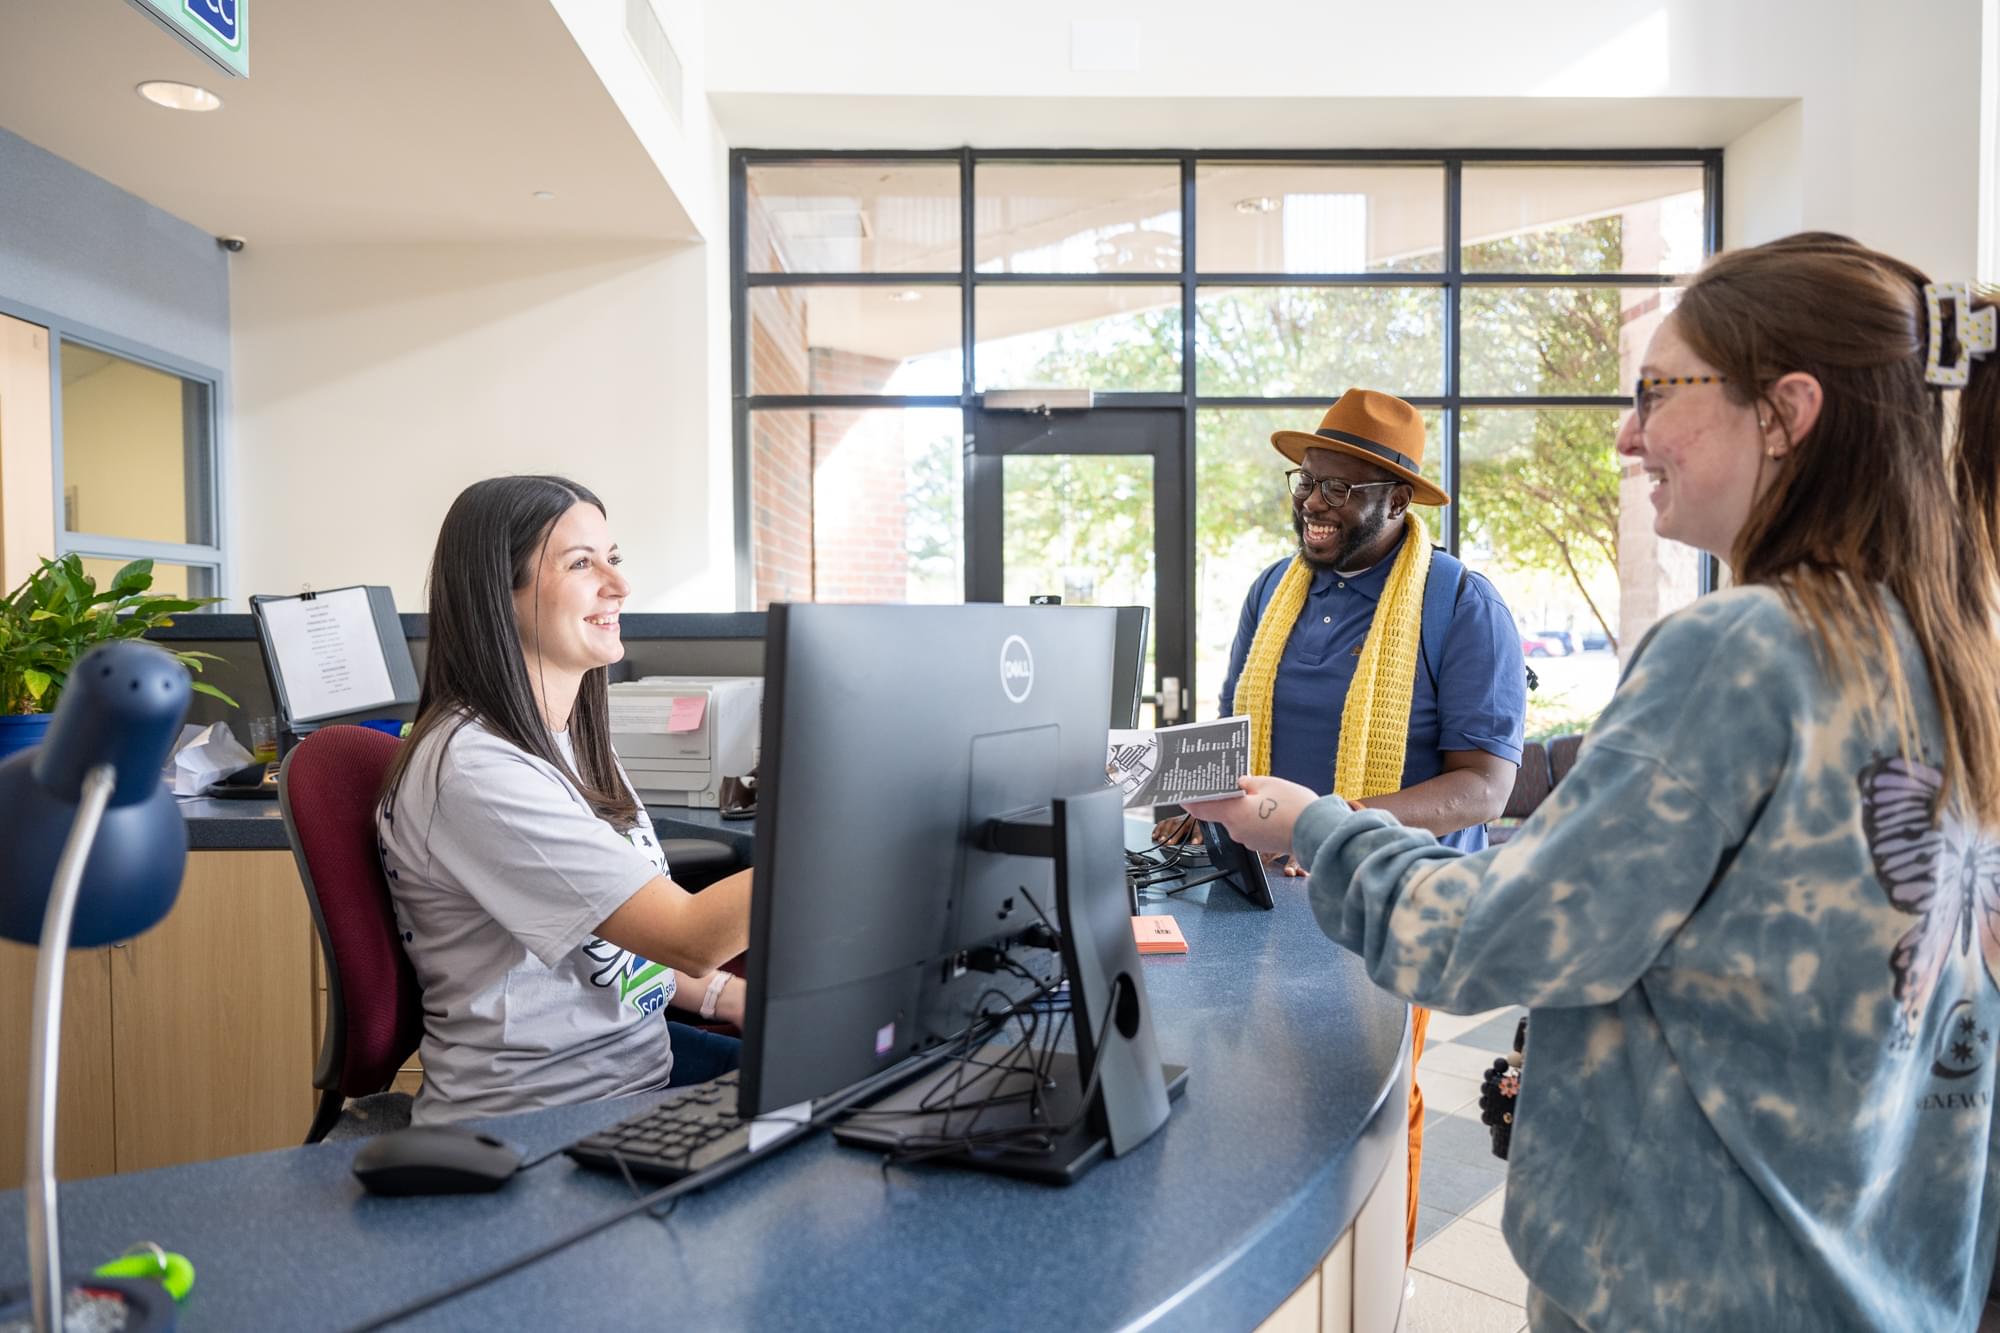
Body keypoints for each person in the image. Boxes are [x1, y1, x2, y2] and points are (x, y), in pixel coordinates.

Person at [1207, 234, 2000, 1331]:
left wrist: (1313, 824)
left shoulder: (1742, 653)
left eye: (1654, 394)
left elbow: (1493, 938)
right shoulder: (1950, 650)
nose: (1628, 437)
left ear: (1785, 412)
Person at [1179, 387, 1528, 1258]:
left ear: (1397, 500)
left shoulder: (1461, 604)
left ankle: (1379, 1279)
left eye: (1341, 489)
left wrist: (1329, 826)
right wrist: (1188, 799)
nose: (1314, 503)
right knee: (1273, 1082)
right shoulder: (1274, 587)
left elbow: (1484, 788)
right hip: (1264, 886)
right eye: (1307, 481)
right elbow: (1236, 727)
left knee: (1369, 1095)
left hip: (1387, 886)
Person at [377, 475, 752, 1127]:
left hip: (631, 1066)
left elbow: (622, 944)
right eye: (583, 563)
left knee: (855, 1075)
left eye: (614, 557)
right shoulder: (477, 768)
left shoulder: (566, 738)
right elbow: (688, 937)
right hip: (539, 1118)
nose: (619, 585)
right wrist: (842, 836)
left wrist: (725, 995)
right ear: (501, 594)